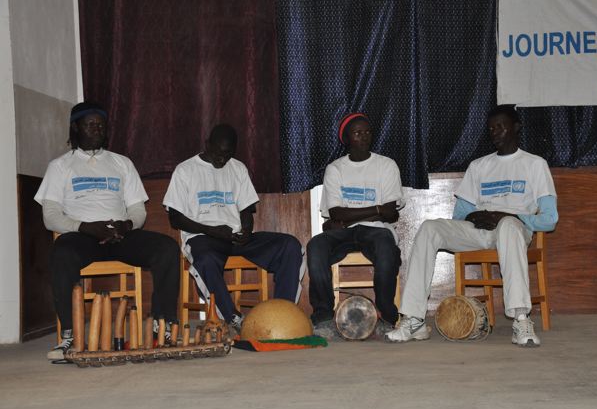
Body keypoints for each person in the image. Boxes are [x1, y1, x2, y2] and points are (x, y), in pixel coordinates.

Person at [386, 105, 558, 347]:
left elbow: (549, 219)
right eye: (491, 128)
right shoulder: (479, 166)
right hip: (480, 230)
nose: (495, 132)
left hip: (513, 230)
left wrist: (505, 216)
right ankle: (413, 319)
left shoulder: (534, 164)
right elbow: (460, 215)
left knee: (508, 226)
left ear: (516, 127)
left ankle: (521, 319)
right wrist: (478, 215)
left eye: (501, 127)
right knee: (429, 228)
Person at [35, 102, 181, 361]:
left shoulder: (121, 163)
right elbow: (51, 217)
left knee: (167, 248)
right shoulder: (60, 166)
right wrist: (84, 227)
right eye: (90, 125)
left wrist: (128, 225)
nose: (97, 130)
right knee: (61, 253)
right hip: (82, 236)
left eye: (101, 125)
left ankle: (163, 326)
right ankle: (70, 336)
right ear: (75, 128)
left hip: (120, 235)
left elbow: (138, 211)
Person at [163, 124, 304, 332]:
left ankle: (283, 313)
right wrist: (211, 230)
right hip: (202, 237)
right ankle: (233, 318)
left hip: (234, 237)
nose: (222, 159)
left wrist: (246, 231)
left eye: (227, 154)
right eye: (218, 153)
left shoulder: (238, 168)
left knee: (290, 245)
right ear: (207, 144)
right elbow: (175, 219)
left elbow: (246, 211)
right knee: (205, 260)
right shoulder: (185, 170)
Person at [308, 112, 404, 339]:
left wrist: (348, 217)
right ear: (347, 138)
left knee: (386, 246)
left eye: (368, 132)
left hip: (377, 230)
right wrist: (377, 209)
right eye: (358, 133)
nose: (364, 136)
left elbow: (391, 213)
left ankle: (387, 316)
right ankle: (323, 317)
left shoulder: (386, 165)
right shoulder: (335, 169)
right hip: (344, 233)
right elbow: (335, 213)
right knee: (316, 245)